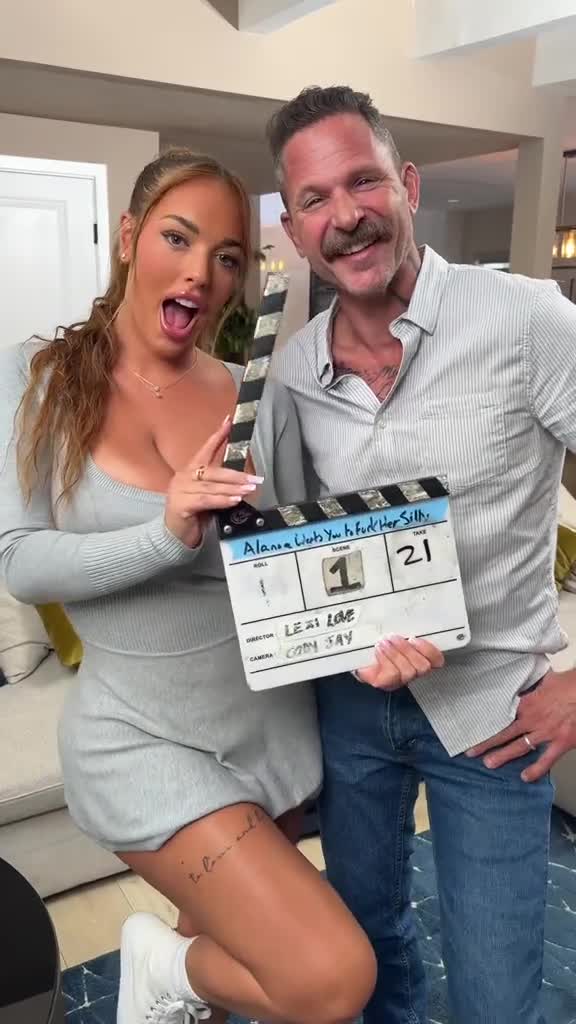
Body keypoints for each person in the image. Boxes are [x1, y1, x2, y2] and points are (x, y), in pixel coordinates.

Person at [0, 147, 381, 1024]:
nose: (201, 273)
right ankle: (160, 962)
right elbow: (19, 559)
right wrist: (164, 534)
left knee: (220, 979)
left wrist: (376, 628)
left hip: (270, 732)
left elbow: (299, 560)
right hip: (140, 739)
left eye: (227, 256)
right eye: (177, 238)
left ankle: (169, 985)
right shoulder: (38, 379)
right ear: (129, 237)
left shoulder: (257, 396)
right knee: (328, 976)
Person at [267, 85, 576, 1024]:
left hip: (496, 715)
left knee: (494, 993)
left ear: (406, 185)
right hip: (351, 711)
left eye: (363, 182)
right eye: (315, 199)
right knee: (365, 950)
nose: (345, 215)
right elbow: (295, 547)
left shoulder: (527, 318)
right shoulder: (292, 370)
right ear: (294, 228)